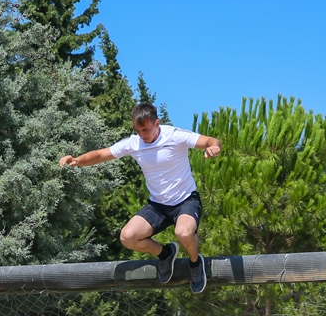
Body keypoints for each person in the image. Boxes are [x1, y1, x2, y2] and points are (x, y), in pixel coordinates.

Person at [59, 103, 221, 293]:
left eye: (146, 129)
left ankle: (195, 263)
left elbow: (211, 140)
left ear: (157, 123)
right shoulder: (134, 143)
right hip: (158, 205)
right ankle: (166, 253)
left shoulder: (174, 135)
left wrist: (213, 148)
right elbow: (102, 154)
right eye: (138, 130)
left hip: (185, 200)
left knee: (184, 233)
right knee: (128, 237)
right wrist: (77, 160)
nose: (143, 135)